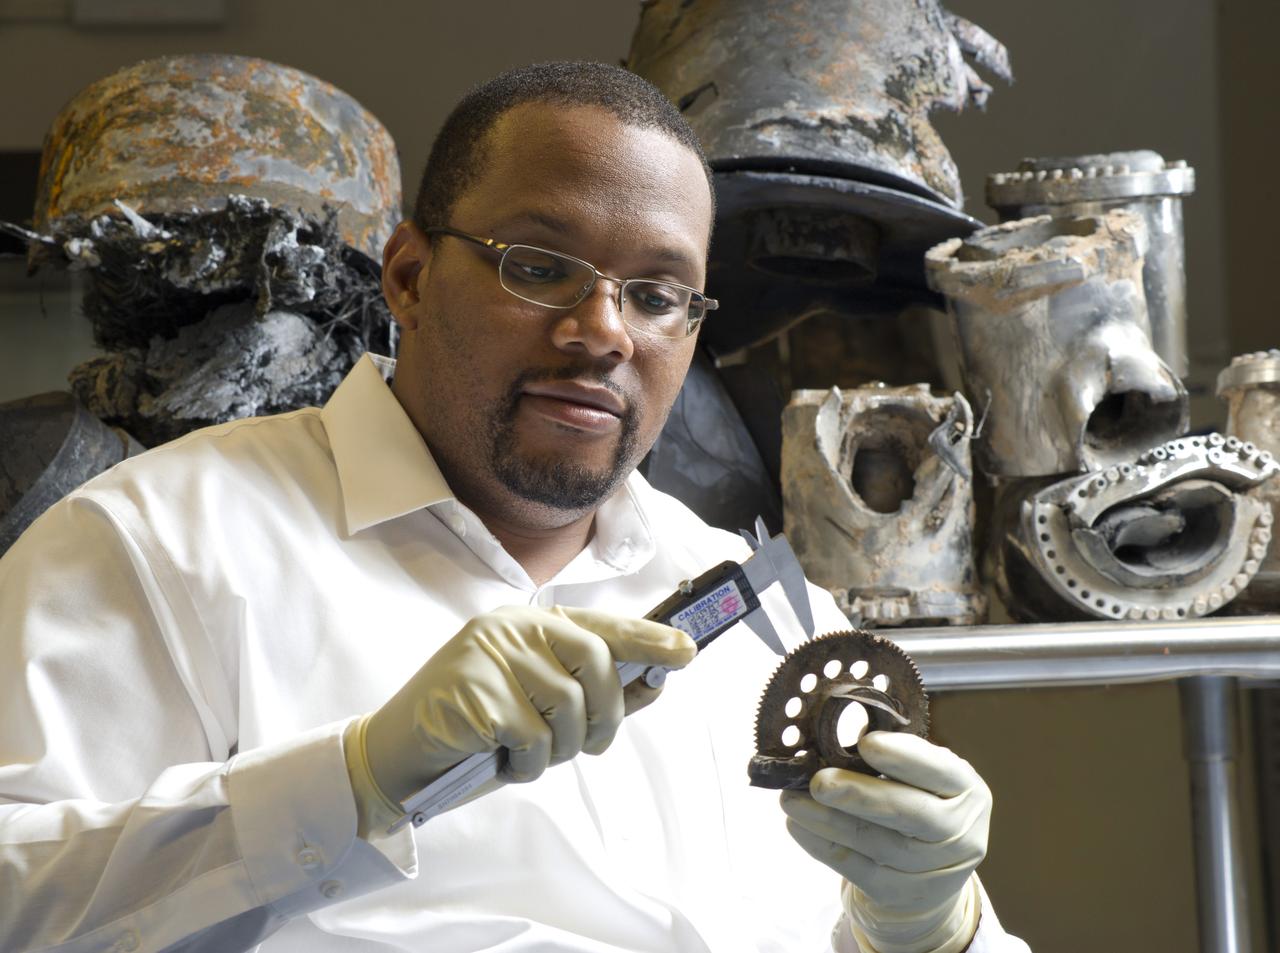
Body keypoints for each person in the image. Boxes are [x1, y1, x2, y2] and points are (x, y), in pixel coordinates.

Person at [0, 62, 1029, 953]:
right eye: (540, 268)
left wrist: (931, 923)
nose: (602, 331)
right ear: (406, 276)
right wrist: (352, 779)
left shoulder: (767, 611)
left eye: (657, 293)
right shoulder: (152, 544)